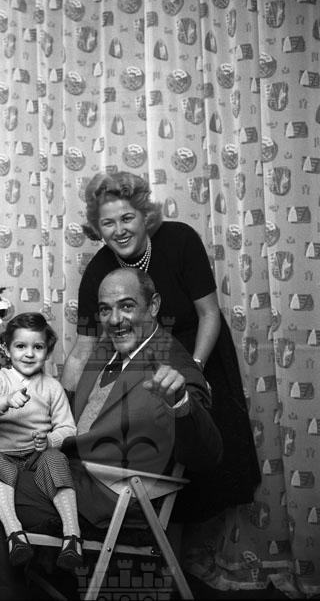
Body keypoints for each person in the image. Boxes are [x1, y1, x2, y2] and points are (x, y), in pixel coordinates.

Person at [0, 269, 223, 601]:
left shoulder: (174, 363)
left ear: (153, 306)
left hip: (111, 494)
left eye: (127, 306)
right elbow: (79, 416)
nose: (115, 319)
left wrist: (180, 402)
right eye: (105, 309)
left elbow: (208, 454)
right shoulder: (108, 349)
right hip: (70, 469)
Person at [60, 171, 260, 519]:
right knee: (158, 463)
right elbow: (82, 349)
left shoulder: (180, 240)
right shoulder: (98, 271)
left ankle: (197, 547)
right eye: (108, 223)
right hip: (143, 366)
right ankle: (159, 539)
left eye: (127, 218)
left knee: (206, 458)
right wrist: (59, 411)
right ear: (98, 228)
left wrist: (195, 369)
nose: (119, 230)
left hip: (197, 352)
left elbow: (209, 313)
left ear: (145, 216)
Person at [0, 312, 81, 571]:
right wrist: (4, 401)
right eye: (21, 346)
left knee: (56, 459)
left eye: (38, 347)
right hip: (4, 456)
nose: (29, 354)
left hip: (36, 456)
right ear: (8, 350)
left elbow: (68, 428)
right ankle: (15, 534)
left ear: (47, 352)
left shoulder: (52, 386)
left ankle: (72, 536)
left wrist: (50, 440)